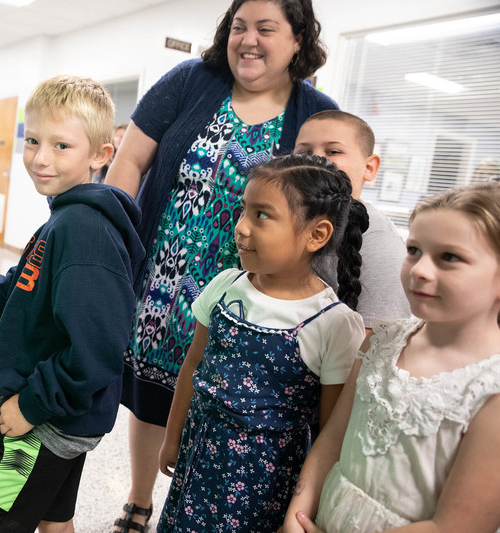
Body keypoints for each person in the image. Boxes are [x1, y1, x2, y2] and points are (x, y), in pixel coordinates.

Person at [105, 1, 338, 530]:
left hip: (247, 292)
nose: (248, 40)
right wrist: (113, 239)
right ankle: (140, 501)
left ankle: (192, 506)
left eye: (266, 29)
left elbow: (325, 197)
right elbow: (130, 162)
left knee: (217, 403)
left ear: (298, 39)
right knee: (149, 393)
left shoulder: (313, 111)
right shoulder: (190, 81)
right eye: (239, 27)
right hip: (163, 274)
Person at [0, 75, 145, 533]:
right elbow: (10, 294)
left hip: (40, 431)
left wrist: (31, 406)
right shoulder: (64, 220)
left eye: (61, 146)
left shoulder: (83, 230)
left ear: (100, 155)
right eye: (33, 140)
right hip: (62, 421)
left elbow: (96, 350)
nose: (40, 157)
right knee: (55, 523)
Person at [155, 153, 367, 532]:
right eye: (243, 211)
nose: (242, 228)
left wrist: (308, 506)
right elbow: (193, 365)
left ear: (316, 234)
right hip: (198, 451)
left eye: (261, 215)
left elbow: (328, 431)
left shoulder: (333, 323)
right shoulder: (225, 285)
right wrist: (172, 437)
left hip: (263, 486)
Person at [281, 180, 500, 533]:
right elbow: (333, 438)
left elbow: (455, 525)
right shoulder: (381, 342)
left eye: (449, 257)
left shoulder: (491, 391)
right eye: (414, 250)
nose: (420, 269)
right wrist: (299, 512)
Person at [294, 110, 411, 330]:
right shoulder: (290, 218)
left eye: (333, 151)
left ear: (369, 168)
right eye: (304, 151)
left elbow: (376, 341)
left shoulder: (378, 241)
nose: (316, 159)